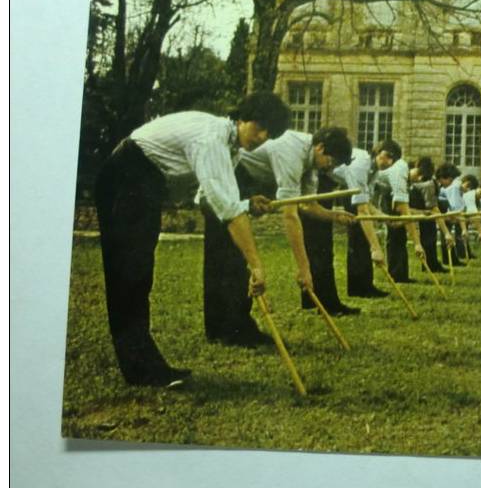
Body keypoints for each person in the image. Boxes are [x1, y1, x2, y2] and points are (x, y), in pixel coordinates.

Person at [94, 92, 290, 387]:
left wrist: (246, 204)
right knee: (130, 274)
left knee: (138, 274)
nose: (262, 137)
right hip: (126, 177)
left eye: (269, 133)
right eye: (259, 126)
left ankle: (144, 367)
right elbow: (228, 212)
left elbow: (208, 201)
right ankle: (142, 371)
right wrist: (257, 265)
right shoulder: (210, 140)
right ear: (242, 117)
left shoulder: (227, 144)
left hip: (142, 182)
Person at [223, 126, 360, 324]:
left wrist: (334, 215)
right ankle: (233, 323)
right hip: (236, 170)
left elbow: (308, 204)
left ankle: (239, 321)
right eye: (331, 162)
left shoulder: (311, 162)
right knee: (234, 250)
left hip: (252, 178)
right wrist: (304, 268)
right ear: (320, 148)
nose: (329, 169)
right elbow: (290, 215)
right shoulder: (292, 151)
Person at [331, 146, 389, 298]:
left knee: (363, 238)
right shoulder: (361, 165)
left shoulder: (374, 170)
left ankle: (366, 286)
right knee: (358, 238)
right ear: (376, 153)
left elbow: (367, 201)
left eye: (392, 159)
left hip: (350, 189)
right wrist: (376, 248)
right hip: (331, 181)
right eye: (386, 156)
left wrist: (381, 215)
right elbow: (362, 210)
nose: (388, 162)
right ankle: (358, 288)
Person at [371, 140, 428, 283]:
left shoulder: (400, 170)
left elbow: (404, 207)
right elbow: (401, 208)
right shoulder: (399, 169)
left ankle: (401, 274)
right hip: (387, 200)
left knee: (400, 237)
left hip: (390, 198)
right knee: (394, 236)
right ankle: (396, 274)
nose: (418, 177)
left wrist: (416, 214)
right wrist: (417, 243)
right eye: (417, 173)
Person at [409, 157, 454, 274]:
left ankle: (431, 264)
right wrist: (446, 233)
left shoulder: (425, 182)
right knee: (429, 238)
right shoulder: (429, 184)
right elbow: (433, 207)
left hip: (423, 211)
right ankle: (430, 265)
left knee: (430, 237)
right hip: (422, 211)